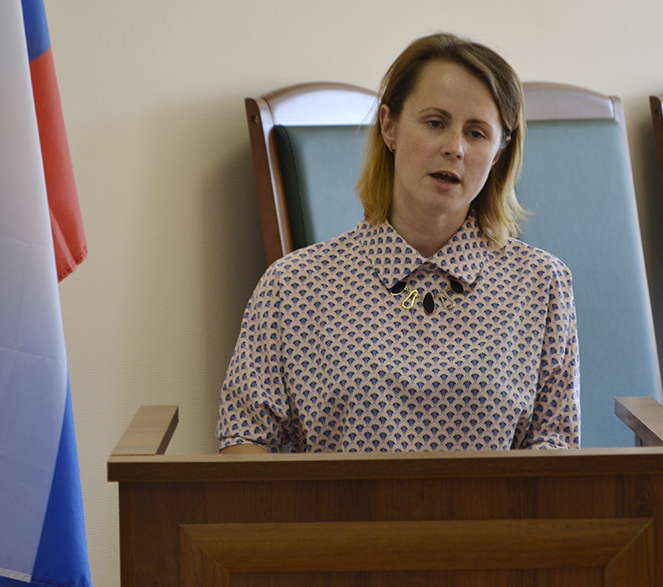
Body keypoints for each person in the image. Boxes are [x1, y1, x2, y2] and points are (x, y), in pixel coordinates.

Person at [217, 33, 579, 454]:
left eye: (477, 133)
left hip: (496, 502)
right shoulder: (292, 286)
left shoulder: (542, 284)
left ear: (499, 152)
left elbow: (555, 448)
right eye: (435, 123)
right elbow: (245, 441)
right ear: (389, 127)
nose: (455, 148)